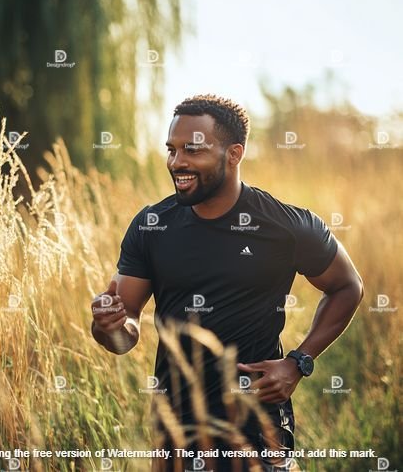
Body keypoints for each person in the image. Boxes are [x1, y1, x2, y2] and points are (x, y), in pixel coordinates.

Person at [90, 94, 364, 471]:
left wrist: (299, 361)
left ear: (234, 154)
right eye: (171, 150)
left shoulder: (286, 225)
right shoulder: (151, 225)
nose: (177, 162)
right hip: (175, 431)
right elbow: (124, 335)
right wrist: (109, 325)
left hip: (257, 429)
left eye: (192, 150)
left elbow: (348, 286)